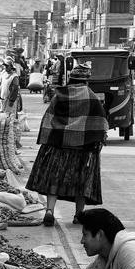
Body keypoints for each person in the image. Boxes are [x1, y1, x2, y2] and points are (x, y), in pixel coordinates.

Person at [26, 63, 107, 226]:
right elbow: (101, 123)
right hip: (83, 149)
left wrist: (48, 140)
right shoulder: (91, 97)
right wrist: (98, 142)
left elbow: (48, 118)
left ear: (71, 79)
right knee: (81, 181)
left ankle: (49, 211)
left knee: (54, 179)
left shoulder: (60, 95)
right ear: (86, 80)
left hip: (58, 145)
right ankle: (78, 215)